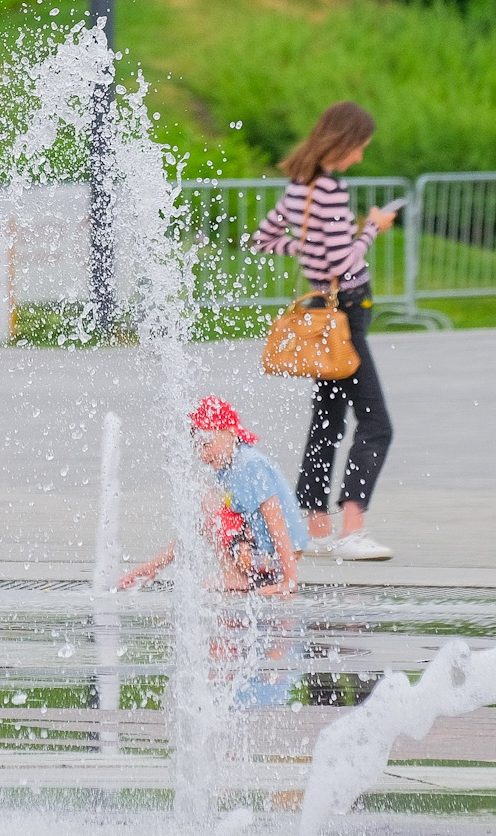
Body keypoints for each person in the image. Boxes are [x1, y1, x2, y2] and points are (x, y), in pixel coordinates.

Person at [249, 101, 396, 562]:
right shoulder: (330, 190)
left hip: (321, 311)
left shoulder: (300, 187)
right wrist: (372, 228)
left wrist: (304, 246)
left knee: (327, 421)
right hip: (345, 312)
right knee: (376, 423)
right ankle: (352, 527)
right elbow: (341, 261)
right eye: (360, 148)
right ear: (345, 142)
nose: (360, 158)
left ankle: (313, 526)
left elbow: (265, 238)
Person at [118, 397, 304, 597]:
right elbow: (202, 526)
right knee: (205, 500)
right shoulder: (228, 466)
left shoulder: (250, 465)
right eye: (197, 447)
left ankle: (235, 575)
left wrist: (289, 580)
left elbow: (275, 520)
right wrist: (152, 566)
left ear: (232, 432)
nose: (202, 455)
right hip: (259, 552)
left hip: (276, 557)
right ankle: (236, 574)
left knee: (204, 497)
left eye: (207, 444)